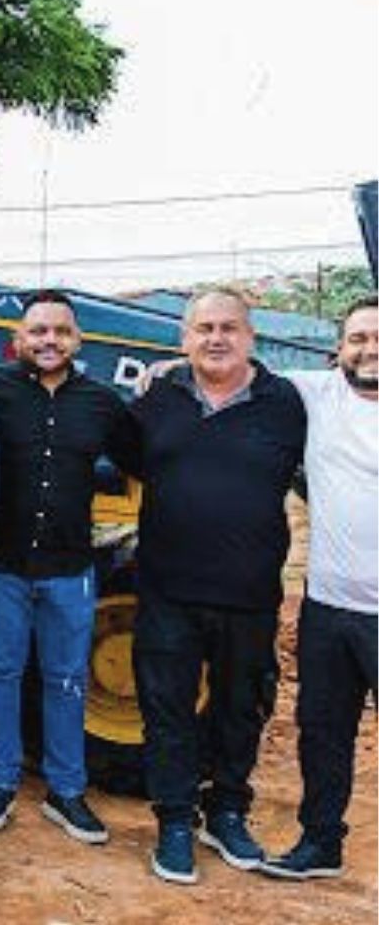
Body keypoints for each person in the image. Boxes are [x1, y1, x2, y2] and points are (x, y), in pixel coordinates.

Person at [128, 288, 307, 884]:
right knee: (167, 712)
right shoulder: (158, 398)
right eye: (203, 327)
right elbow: (124, 459)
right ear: (183, 339)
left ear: (250, 336)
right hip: (167, 590)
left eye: (229, 327)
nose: (216, 338)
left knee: (241, 710)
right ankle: (175, 821)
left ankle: (226, 812)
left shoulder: (287, 404)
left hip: (250, 594)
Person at [0, 291, 138, 846]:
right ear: (19, 339)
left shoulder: (102, 403)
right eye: (38, 331)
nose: (49, 341)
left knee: (67, 681)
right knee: (1, 674)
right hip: (2, 564)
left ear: (76, 339)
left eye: (60, 332)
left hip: (71, 567)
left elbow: (145, 459)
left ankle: (67, 792)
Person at [264, 294, 377, 881]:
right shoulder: (318, 394)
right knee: (323, 731)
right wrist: (168, 369)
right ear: (340, 350)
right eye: (359, 338)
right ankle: (320, 843)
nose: (370, 349)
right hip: (329, 608)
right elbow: (239, 371)